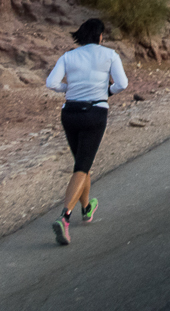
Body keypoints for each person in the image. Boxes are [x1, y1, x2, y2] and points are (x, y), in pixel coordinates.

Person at [45, 18, 128, 246]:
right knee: (81, 167)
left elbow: (51, 83)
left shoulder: (68, 56)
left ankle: (86, 207)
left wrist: (69, 89)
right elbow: (122, 84)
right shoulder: (109, 55)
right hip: (94, 113)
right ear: (100, 36)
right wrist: (106, 92)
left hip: (69, 113)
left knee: (83, 163)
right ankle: (65, 217)